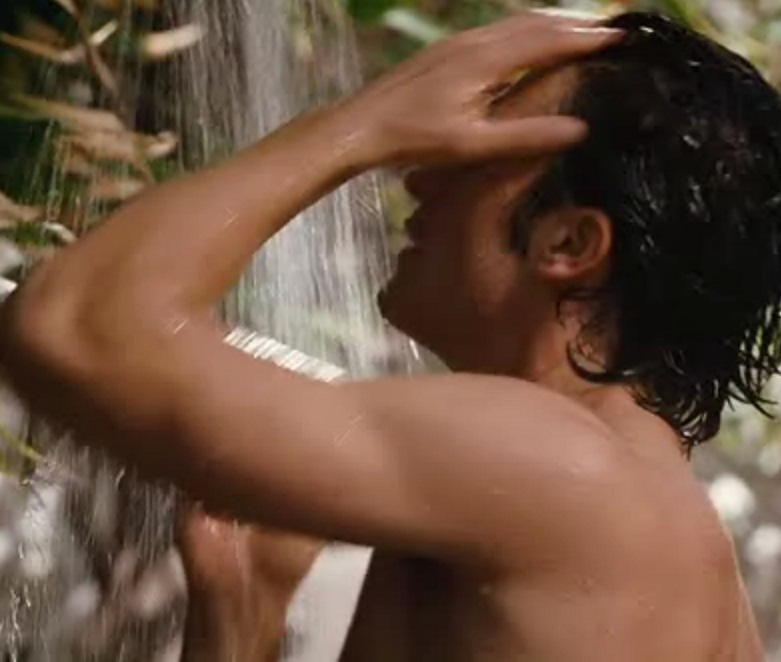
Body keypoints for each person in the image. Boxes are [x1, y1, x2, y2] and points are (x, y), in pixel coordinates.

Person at [0, 9, 775, 660]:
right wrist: (238, 622)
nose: (418, 173)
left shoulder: (552, 463)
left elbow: (74, 326)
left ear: (567, 244)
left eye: (476, 150)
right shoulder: (658, 530)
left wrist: (363, 123)